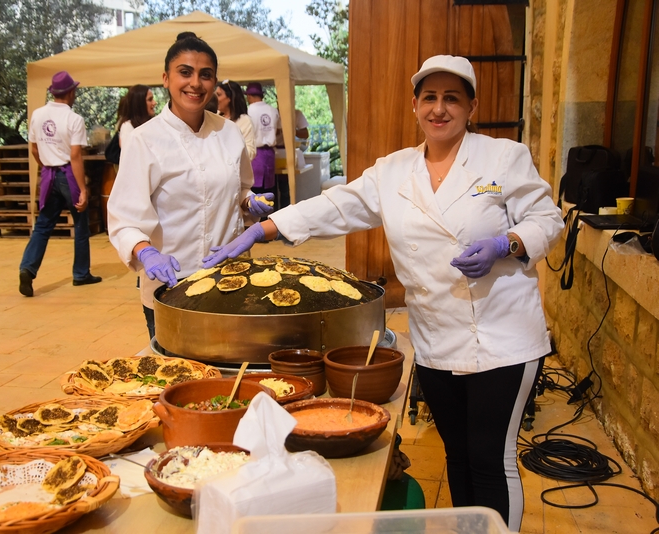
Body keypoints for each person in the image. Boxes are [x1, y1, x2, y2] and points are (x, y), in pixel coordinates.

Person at [202, 55, 564, 531]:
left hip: (502, 335)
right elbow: (337, 204)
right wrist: (266, 229)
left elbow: (547, 218)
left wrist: (508, 242)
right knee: (457, 454)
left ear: (471, 106)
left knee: (488, 458)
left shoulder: (503, 157)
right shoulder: (394, 171)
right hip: (436, 339)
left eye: (452, 98)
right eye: (429, 98)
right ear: (415, 106)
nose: (439, 109)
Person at [106, 32, 273, 339]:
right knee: (179, 376)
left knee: (229, 373)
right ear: (166, 78)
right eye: (185, 72)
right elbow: (124, 218)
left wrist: (251, 202)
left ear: (215, 82)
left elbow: (240, 190)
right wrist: (146, 253)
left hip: (230, 280)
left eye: (205, 75)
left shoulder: (230, 132)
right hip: (170, 286)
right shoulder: (144, 139)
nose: (195, 83)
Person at [19, 71, 102, 297]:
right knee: (80, 224)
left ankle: (28, 268)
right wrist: (82, 189)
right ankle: (80, 273)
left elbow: (34, 148)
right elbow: (75, 156)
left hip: (49, 175)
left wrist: (46, 166)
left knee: (43, 225)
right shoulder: (74, 119)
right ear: (71, 92)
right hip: (68, 175)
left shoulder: (37, 115)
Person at [246, 82, 281, 197]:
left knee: (254, 191)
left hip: (255, 153)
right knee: (269, 190)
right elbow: (278, 131)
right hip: (270, 153)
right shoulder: (273, 110)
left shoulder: (249, 111)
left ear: (249, 96)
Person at [216, 80, 256, 160]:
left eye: (219, 95)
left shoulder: (244, 120)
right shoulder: (215, 117)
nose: (215, 98)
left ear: (230, 98)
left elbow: (250, 152)